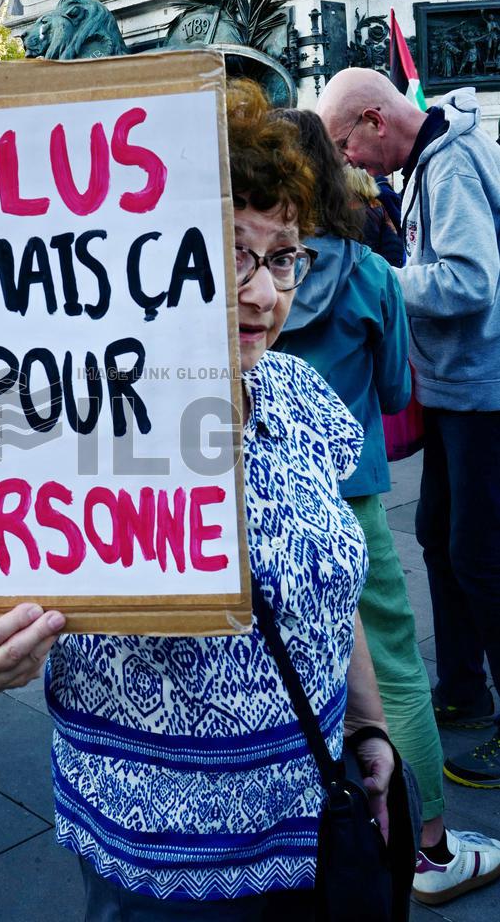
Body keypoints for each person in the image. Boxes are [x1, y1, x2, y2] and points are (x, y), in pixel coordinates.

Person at [0, 82, 397, 919]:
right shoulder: (59, 416)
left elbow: (330, 592)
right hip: (158, 861)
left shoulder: (299, 394)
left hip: (312, 820)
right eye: (229, 254)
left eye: (282, 254)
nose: (262, 292)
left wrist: (368, 730)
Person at [274, 108, 500, 905]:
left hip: (257, 496)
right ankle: (428, 849)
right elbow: (400, 390)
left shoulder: (222, 274)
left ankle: (291, 833)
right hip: (355, 494)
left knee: (281, 664)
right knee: (394, 670)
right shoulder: (369, 276)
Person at [318, 68, 500, 790]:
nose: (349, 163)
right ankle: (460, 688)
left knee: (479, 554)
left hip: (481, 392)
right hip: (459, 389)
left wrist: (377, 277)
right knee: (436, 534)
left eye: (345, 145)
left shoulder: (449, 164)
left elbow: (469, 281)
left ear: (373, 118)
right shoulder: (432, 160)